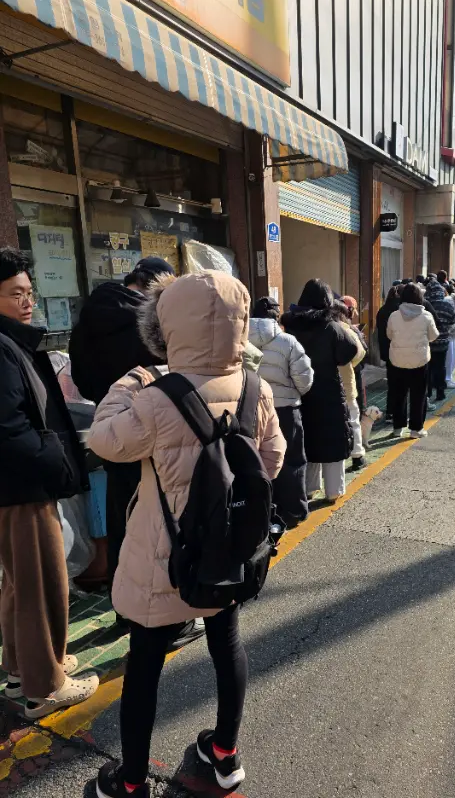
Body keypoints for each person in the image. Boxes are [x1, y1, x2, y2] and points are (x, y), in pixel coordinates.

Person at [88, 270, 286, 797]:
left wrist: (130, 382)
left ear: (169, 326)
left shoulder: (156, 397)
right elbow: (271, 462)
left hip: (163, 556)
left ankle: (130, 783)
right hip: (228, 550)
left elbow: (104, 439)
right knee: (227, 643)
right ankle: (224, 756)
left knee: (145, 663)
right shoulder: (256, 388)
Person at [69, 259, 204, 646]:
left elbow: (82, 380)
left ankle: (124, 610)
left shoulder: (89, 318)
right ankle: (167, 619)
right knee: (159, 525)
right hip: (153, 431)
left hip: (112, 428)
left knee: (121, 523)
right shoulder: (148, 320)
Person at [0, 247, 99, 718]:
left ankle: (24, 668)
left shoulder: (10, 342)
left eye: (29, 292)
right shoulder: (3, 348)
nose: (27, 301)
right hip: (23, 486)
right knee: (40, 582)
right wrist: (53, 458)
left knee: (20, 582)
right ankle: (46, 685)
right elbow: (9, 428)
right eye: (15, 293)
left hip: (16, 485)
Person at [282, 280, 359, 503]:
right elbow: (350, 351)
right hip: (329, 390)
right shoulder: (331, 326)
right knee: (333, 438)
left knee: (308, 438)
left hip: (300, 390)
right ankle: (334, 490)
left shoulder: (291, 326)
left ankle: (309, 487)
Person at [249, 296, 314, 528]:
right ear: (277, 317)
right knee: (291, 460)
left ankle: (265, 509)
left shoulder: (238, 341)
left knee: (258, 461)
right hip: (285, 409)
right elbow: (305, 380)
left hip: (251, 410)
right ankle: (294, 511)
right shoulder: (288, 342)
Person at [386, 283, 439, 439]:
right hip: (419, 361)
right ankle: (416, 429)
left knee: (399, 394)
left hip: (397, 360)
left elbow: (389, 335)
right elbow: (433, 336)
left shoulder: (394, 315)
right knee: (419, 395)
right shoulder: (426, 316)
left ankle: (398, 428)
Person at [332, 300, 367, 470]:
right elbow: (360, 352)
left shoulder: (317, 328)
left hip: (322, 385)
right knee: (352, 419)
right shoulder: (346, 329)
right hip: (345, 382)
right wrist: (348, 364)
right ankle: (357, 456)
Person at [424, 279, 455, 402]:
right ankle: (440, 392)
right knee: (441, 367)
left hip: (428, 342)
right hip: (443, 342)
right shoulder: (448, 305)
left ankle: (428, 393)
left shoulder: (426, 305)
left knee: (428, 368)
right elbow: (452, 321)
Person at [376, 285, 402, 422]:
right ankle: (398, 414)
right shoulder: (399, 311)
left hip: (387, 351)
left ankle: (390, 412)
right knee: (402, 385)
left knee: (392, 384)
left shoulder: (382, 310)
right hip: (399, 351)